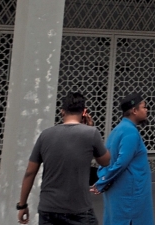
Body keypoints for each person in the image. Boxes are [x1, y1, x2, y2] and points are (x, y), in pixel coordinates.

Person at [16, 92, 110, 225]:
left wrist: (22, 205)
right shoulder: (91, 133)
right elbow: (105, 161)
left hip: (48, 209)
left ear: (62, 112)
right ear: (84, 112)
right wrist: (90, 128)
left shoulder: (45, 135)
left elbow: (30, 172)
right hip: (79, 210)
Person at [93, 92, 154, 225]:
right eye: (143, 107)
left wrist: (103, 177)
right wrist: (103, 181)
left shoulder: (118, 130)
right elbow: (121, 162)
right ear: (134, 111)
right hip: (130, 196)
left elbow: (105, 160)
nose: (146, 110)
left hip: (122, 193)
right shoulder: (130, 132)